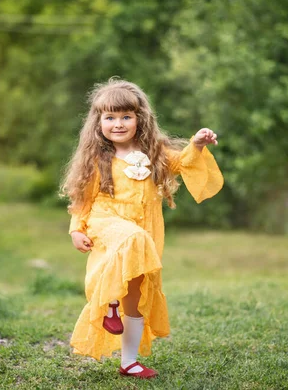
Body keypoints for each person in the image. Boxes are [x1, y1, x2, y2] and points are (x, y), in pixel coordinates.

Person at [60, 78, 223, 379]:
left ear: (140, 119)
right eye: (110, 117)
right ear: (99, 123)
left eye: (126, 116)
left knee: (136, 294)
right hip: (107, 222)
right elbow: (83, 198)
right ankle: (109, 303)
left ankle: (129, 362)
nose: (118, 124)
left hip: (145, 232)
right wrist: (76, 229)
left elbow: (183, 162)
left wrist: (196, 144)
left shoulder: (154, 152)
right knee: (131, 237)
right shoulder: (98, 159)